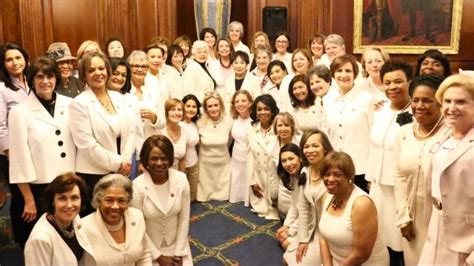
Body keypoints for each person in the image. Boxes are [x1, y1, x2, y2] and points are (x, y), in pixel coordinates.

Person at [9, 56, 76, 248]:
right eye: (39, 77)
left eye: (50, 76)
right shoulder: (19, 112)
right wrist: (28, 200)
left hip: (68, 184)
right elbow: (19, 159)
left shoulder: (70, 104)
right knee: (41, 245)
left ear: (56, 78)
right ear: (31, 80)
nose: (45, 81)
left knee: (68, 244)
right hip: (39, 190)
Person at [69, 52, 135, 215]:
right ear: (84, 75)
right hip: (94, 174)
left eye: (101, 68)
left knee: (118, 216)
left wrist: (125, 161)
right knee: (96, 223)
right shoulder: (79, 103)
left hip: (122, 170)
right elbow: (87, 145)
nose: (98, 73)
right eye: (91, 70)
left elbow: (131, 131)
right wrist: (119, 163)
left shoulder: (119, 97)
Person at [418, 74, 474, 265]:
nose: (451, 108)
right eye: (447, 101)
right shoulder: (446, 135)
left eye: (461, 102)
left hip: (466, 239)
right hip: (437, 225)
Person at [393, 74, 447, 265]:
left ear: (440, 103)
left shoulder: (452, 133)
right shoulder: (404, 133)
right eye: (415, 100)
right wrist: (403, 218)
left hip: (442, 221)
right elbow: (399, 177)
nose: (419, 106)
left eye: (427, 101)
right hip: (411, 221)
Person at [365, 59, 414, 265]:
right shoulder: (380, 110)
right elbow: (373, 146)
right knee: (379, 238)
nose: (392, 87)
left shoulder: (418, 113)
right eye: (387, 82)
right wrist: (369, 178)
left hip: (401, 188)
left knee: (401, 241)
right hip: (378, 184)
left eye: (398, 81)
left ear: (410, 82)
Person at [319, 151, 389, 265]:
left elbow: (361, 255)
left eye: (337, 174)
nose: (330, 179)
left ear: (349, 176)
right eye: (327, 174)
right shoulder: (327, 196)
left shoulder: (362, 204)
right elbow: (323, 237)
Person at [131, 135, 193, 265]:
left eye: (164, 158)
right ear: (146, 160)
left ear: (170, 159)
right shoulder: (137, 186)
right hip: (148, 248)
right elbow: (138, 227)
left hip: (177, 244)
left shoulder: (181, 180)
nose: (159, 163)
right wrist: (159, 257)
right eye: (154, 158)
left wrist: (178, 253)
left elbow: (184, 218)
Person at [325, 54, 374, 193]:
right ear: (333, 75)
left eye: (348, 71)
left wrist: (371, 173)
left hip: (361, 168)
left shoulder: (367, 99)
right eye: (339, 71)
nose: (343, 75)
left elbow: (373, 137)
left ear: (355, 74)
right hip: (335, 169)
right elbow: (326, 133)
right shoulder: (328, 99)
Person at [285, 129, 333, 265]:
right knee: (289, 259)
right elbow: (304, 209)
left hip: (331, 232)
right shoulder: (305, 171)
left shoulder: (333, 172)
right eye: (306, 147)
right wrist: (303, 239)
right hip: (313, 229)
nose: (310, 150)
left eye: (315, 146)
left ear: (325, 149)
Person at [81, 174, 152, 265]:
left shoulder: (136, 216)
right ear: (98, 200)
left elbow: (144, 255)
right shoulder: (84, 227)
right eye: (109, 200)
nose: (115, 206)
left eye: (121, 200)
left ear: (128, 202)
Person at [24, 173, 93, 265]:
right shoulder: (40, 239)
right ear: (53, 201)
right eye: (62, 198)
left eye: (74, 198)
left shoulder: (75, 217)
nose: (69, 205)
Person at [0, 43, 30, 213]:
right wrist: (10, 153)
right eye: (9, 60)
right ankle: (21, 237)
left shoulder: (33, 81)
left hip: (32, 147)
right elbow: (0, 125)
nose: (15, 62)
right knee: (20, 198)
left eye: (18, 57)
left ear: (25, 59)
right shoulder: (2, 89)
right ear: (3, 64)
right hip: (12, 153)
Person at [126, 50, 165, 158]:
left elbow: (162, 122)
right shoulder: (124, 90)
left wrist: (154, 118)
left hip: (153, 147)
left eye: (143, 66)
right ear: (129, 68)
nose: (139, 69)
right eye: (135, 66)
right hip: (131, 149)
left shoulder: (154, 88)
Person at [247, 94, 280, 219]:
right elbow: (250, 157)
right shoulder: (252, 129)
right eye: (259, 109)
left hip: (274, 177)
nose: (262, 112)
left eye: (266, 109)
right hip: (259, 176)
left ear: (272, 111)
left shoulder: (279, 129)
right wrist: (252, 181)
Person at [197, 91, 233, 201]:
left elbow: (230, 141)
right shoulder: (199, 122)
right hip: (205, 165)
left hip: (223, 164)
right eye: (210, 106)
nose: (213, 109)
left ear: (221, 105)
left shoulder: (229, 121)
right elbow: (197, 143)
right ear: (206, 108)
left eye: (216, 105)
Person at [275, 143, 305, 250]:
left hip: (311, 222)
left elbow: (307, 213)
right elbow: (294, 205)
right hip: (301, 219)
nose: (288, 164)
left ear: (300, 158)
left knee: (285, 243)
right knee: (282, 239)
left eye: (291, 158)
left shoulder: (306, 178)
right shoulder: (293, 177)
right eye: (284, 161)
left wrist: (290, 231)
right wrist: (286, 225)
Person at [230, 90, 253, 203]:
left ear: (250, 103)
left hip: (250, 157)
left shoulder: (254, 120)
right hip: (236, 156)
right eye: (237, 101)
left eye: (244, 100)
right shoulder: (233, 119)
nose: (240, 104)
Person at [158, 99, 189, 172]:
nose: (176, 112)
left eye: (179, 110)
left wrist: (181, 177)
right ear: (166, 112)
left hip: (176, 174)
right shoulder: (159, 131)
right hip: (159, 173)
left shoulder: (185, 131)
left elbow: (182, 159)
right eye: (173, 109)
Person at [181, 94, 201, 202]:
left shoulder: (195, 125)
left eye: (194, 107)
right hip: (181, 165)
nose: (191, 109)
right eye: (188, 106)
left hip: (194, 164)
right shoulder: (177, 124)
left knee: (192, 197)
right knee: (181, 197)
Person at [307, 65, 331, 131]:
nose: (315, 86)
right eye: (311, 84)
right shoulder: (318, 100)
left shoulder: (335, 99)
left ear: (328, 81)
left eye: (318, 82)